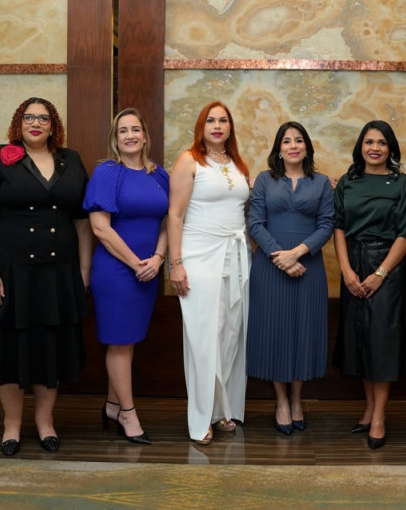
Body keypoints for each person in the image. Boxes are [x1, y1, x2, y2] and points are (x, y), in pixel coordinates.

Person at [0, 97, 92, 456]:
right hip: (11, 271)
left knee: (50, 349)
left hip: (59, 272)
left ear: (53, 125)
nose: (35, 123)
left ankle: (45, 422)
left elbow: (82, 221)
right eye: (28, 118)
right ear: (18, 123)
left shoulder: (72, 160)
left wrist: (83, 271)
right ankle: (11, 424)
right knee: (9, 348)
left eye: (43, 118)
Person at [332, 120, 406, 450]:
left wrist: (380, 273)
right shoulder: (347, 182)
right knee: (361, 340)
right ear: (360, 146)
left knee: (383, 343)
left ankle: (380, 416)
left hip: (389, 269)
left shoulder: (403, 183)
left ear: (391, 149)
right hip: (352, 265)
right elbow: (338, 226)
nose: (375, 148)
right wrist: (346, 269)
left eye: (382, 143)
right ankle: (368, 408)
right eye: (369, 142)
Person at [83, 107, 169, 445]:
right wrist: (136, 263)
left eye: (136, 129)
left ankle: (112, 406)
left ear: (145, 136)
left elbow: (167, 221)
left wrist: (159, 258)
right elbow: (100, 228)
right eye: (123, 131)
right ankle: (128, 416)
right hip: (118, 271)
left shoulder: (158, 174)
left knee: (128, 341)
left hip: (149, 270)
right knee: (119, 343)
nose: (130, 135)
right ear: (115, 138)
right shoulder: (107, 172)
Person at [167, 101, 251, 445]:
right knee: (203, 338)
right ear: (201, 126)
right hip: (200, 256)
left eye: (223, 120)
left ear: (230, 128)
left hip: (236, 255)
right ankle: (199, 418)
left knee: (230, 336)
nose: (217, 125)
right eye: (211, 120)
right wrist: (176, 263)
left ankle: (221, 410)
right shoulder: (189, 160)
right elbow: (174, 215)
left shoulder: (237, 163)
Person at [246, 121, 335, 435]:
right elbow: (255, 223)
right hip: (269, 267)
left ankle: (298, 399)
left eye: (299, 140)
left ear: (307, 147)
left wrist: (297, 253)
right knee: (274, 331)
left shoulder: (322, 183)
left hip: (308, 267)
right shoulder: (264, 180)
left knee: (302, 332)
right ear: (279, 149)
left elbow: (327, 225)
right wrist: (280, 258)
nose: (293, 145)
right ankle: (281, 400)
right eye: (287, 141)